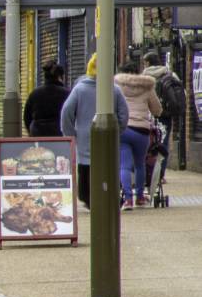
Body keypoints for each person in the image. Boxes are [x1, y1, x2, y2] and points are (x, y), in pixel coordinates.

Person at [60, 54, 130, 211]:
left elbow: (66, 113)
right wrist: (117, 131)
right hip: (108, 139)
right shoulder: (115, 90)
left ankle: (87, 197)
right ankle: (110, 196)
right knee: (108, 166)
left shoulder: (79, 89)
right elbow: (124, 115)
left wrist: (71, 134)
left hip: (84, 138)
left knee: (85, 169)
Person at [116, 61, 162, 210]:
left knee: (124, 165)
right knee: (140, 164)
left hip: (123, 129)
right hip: (141, 131)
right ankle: (140, 197)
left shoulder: (117, 86)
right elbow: (157, 110)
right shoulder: (147, 87)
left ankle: (127, 199)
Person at [142, 52, 185, 198]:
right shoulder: (169, 74)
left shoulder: (143, 77)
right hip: (165, 115)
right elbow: (180, 91)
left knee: (148, 144)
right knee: (163, 144)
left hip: (147, 115)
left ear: (148, 63)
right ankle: (160, 175)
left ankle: (148, 173)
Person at [23, 61, 70, 137]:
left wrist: (31, 132)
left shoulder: (34, 94)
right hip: (60, 137)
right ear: (59, 77)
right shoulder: (67, 94)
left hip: (37, 135)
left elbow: (27, 117)